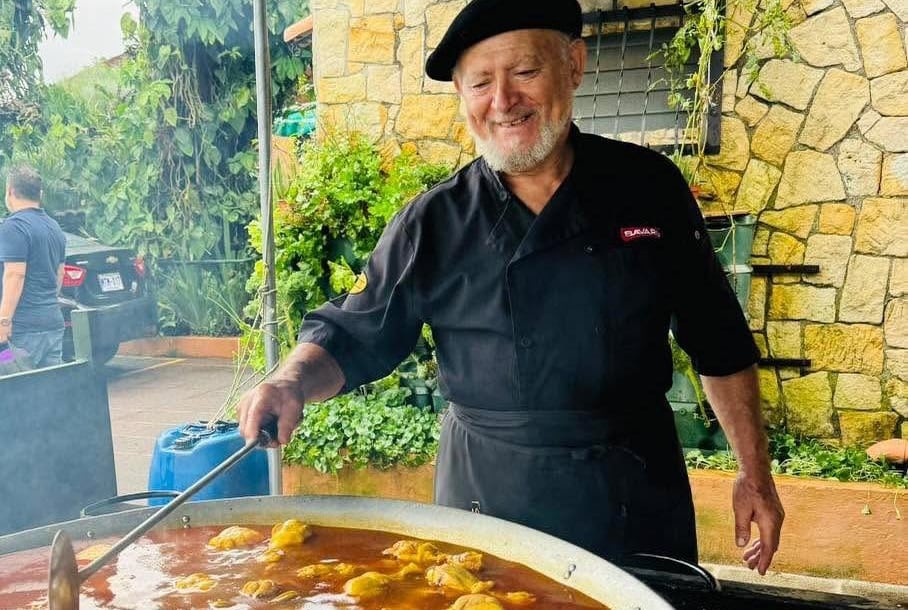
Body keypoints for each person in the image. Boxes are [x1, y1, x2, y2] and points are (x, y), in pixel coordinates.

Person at [237, 0, 785, 575]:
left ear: (574, 65)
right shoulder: (434, 221)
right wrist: (290, 380)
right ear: (461, 94)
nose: (503, 101)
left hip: (632, 490)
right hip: (489, 499)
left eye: (525, 72)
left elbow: (717, 337)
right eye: (480, 83)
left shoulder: (649, 188)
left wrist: (755, 474)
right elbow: (355, 333)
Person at [0, 165, 67, 369]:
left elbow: (15, 275)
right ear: (40, 194)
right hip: (52, 323)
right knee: (50, 386)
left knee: (16, 386)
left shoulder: (14, 226)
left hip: (23, 331)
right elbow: (60, 274)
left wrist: (4, 320)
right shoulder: (54, 227)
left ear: (10, 191)